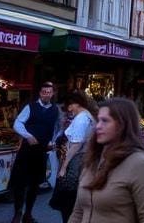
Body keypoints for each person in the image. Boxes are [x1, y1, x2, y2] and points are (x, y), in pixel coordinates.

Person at [68, 98, 144, 223]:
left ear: (123, 124)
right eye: (98, 120)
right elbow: (78, 212)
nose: (98, 126)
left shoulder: (140, 164)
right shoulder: (93, 160)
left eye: (105, 121)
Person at [10, 81, 61, 223]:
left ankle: (28, 214)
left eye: (48, 92)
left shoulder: (56, 110)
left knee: (34, 184)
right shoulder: (30, 107)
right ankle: (17, 213)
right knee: (20, 183)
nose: (46, 94)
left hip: (41, 152)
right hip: (26, 151)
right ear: (40, 93)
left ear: (52, 94)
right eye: (43, 92)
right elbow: (17, 123)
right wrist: (28, 136)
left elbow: (58, 129)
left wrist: (53, 141)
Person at [52, 91, 98, 223]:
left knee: (68, 200)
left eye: (70, 105)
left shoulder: (82, 118)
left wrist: (64, 167)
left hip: (76, 162)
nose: (69, 109)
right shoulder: (86, 116)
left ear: (77, 104)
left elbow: (76, 145)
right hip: (81, 160)